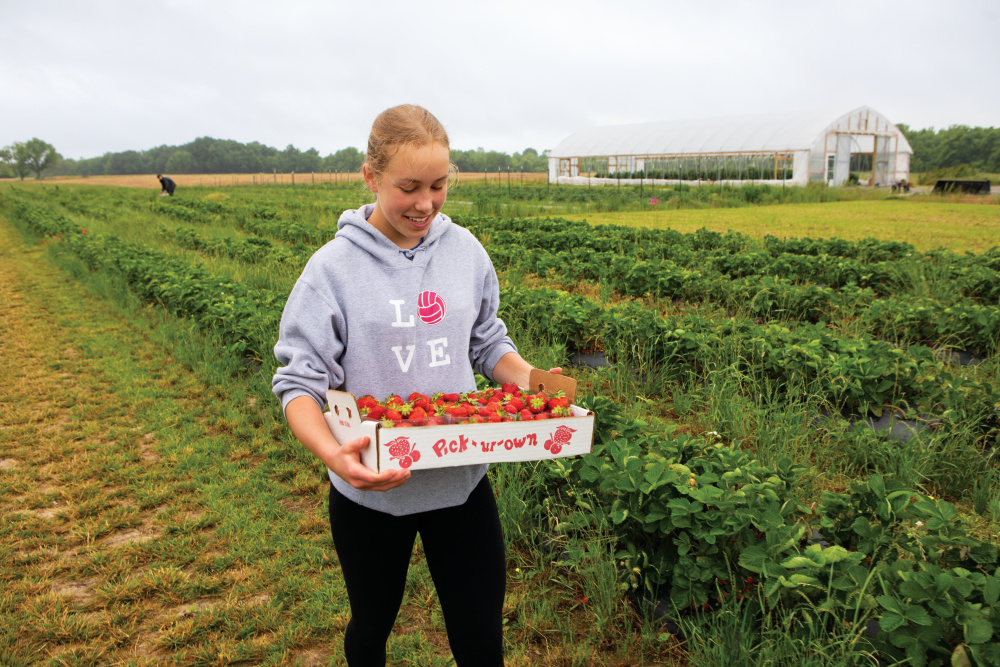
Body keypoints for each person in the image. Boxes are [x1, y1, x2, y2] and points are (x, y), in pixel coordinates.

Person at [272, 104, 556, 666]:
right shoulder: (332, 270)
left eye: (438, 185)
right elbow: (299, 381)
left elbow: (487, 342)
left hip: (460, 478)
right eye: (408, 187)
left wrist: (538, 388)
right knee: (372, 626)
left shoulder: (465, 251)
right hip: (372, 490)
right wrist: (335, 454)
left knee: (480, 638)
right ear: (371, 177)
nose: (425, 203)